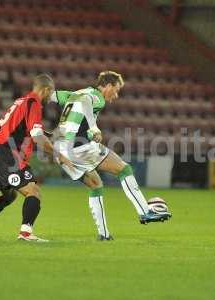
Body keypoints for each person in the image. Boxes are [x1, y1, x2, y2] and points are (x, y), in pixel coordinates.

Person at [50, 71, 172, 241]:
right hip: (79, 147)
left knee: (96, 185)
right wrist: (93, 127)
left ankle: (104, 234)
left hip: (60, 150)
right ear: (107, 85)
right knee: (124, 169)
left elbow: (51, 96)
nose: (116, 95)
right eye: (115, 89)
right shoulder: (96, 96)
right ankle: (145, 211)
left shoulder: (75, 93)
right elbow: (85, 102)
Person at [0, 74, 72, 242]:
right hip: (5, 153)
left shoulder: (22, 101)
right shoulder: (34, 102)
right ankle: (26, 233)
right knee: (33, 191)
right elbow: (36, 137)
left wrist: (51, 135)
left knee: (9, 196)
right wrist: (59, 156)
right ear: (46, 90)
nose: (50, 98)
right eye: (51, 93)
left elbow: (29, 130)